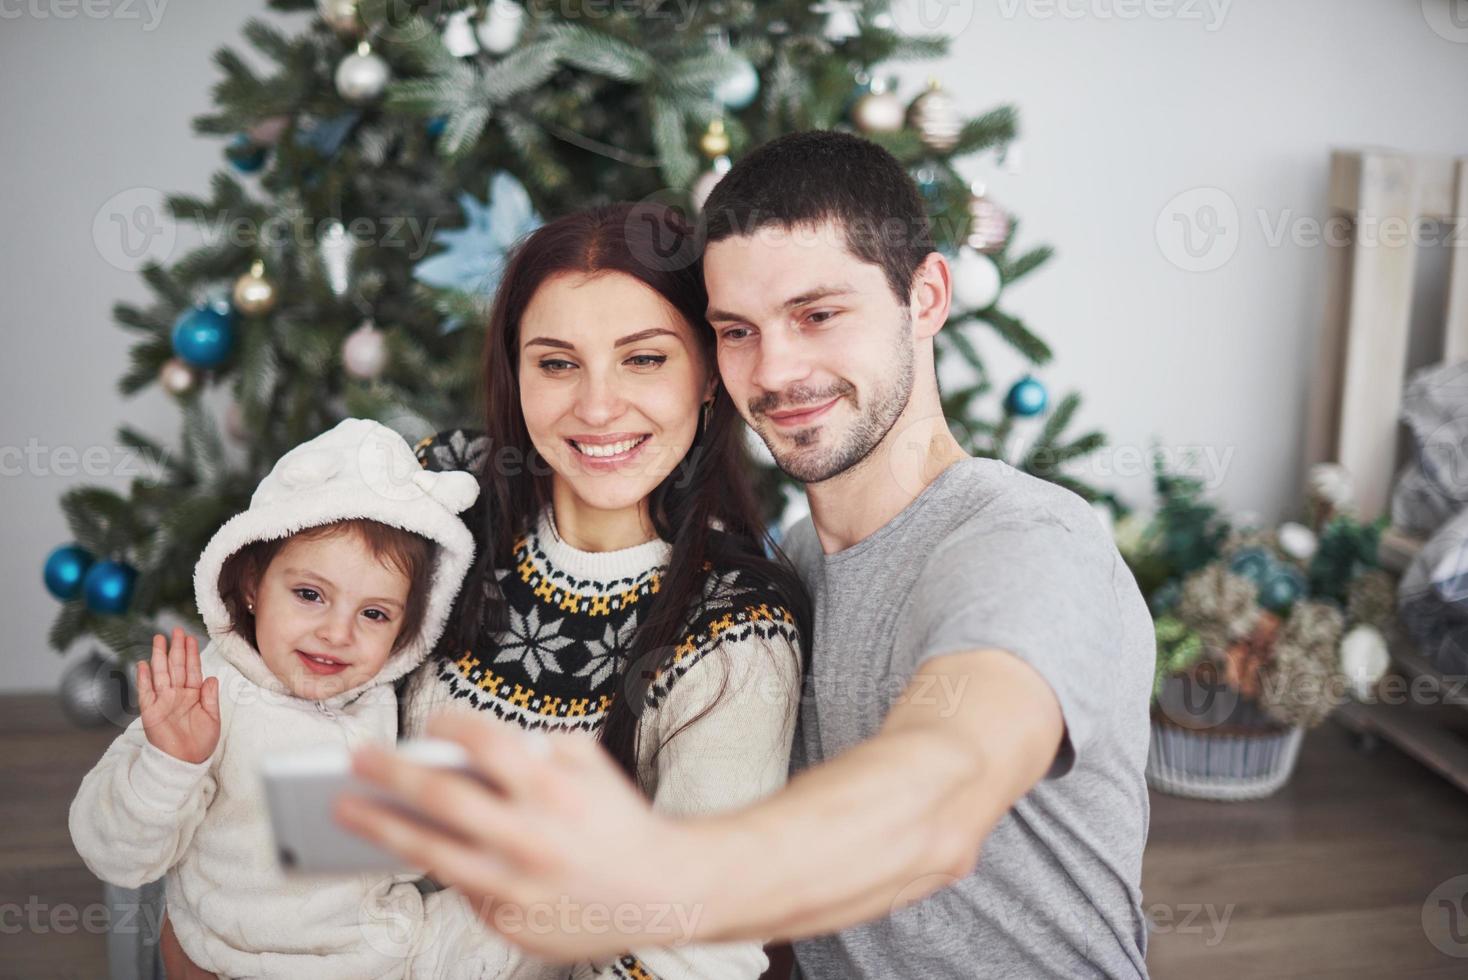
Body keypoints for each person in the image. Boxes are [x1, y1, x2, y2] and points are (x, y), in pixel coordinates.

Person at [336, 130, 1156, 979]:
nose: (777, 368)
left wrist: (639, 885)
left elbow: (940, 803)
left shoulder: (1026, 543)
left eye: (818, 314)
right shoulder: (791, 565)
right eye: (737, 330)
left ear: (927, 297)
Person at [69, 417, 506, 979]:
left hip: (383, 946)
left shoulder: (379, 699)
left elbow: (352, 845)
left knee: (534, 915)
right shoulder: (206, 697)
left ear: (407, 627)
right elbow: (116, 855)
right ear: (252, 585)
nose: (337, 633)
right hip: (248, 959)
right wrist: (170, 764)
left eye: (373, 614)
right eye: (309, 595)